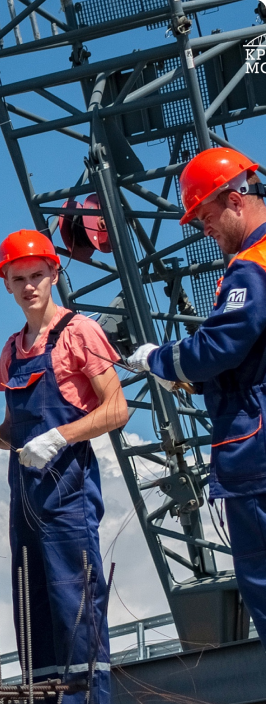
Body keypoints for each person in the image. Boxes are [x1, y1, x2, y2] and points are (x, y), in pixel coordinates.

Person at [0, 230, 128, 704]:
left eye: (37, 275)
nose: (29, 286)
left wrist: (61, 436)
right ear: (7, 285)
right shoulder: (11, 350)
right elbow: (17, 432)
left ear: (54, 273)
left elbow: (116, 409)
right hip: (26, 496)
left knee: (74, 602)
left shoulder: (80, 332)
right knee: (33, 606)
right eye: (19, 279)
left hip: (68, 493)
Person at [127, 147, 266, 646]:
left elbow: (224, 343)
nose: (203, 230)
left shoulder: (251, 268)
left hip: (256, 454)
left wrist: (160, 362)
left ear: (234, 200)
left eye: (205, 217)